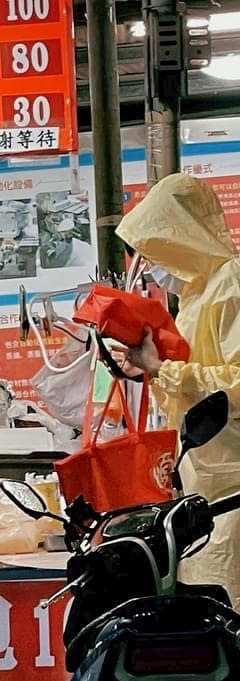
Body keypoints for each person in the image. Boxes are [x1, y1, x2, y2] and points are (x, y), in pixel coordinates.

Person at [117, 173, 240, 606]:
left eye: (159, 247)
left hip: (231, 482)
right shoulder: (198, 291)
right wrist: (146, 369)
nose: (153, 264)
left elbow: (236, 384)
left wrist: (164, 371)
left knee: (228, 602)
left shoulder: (231, 282)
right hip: (207, 479)